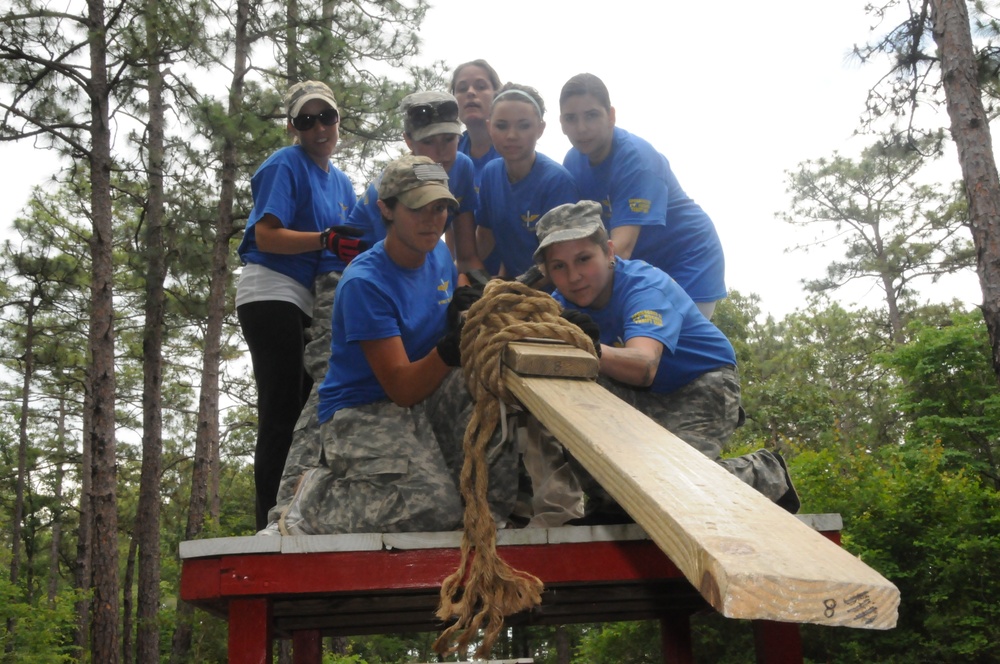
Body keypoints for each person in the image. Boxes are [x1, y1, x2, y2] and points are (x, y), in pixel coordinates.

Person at [262, 155, 518, 535]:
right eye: (418, 209)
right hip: (363, 407)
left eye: (441, 208)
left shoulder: (440, 256)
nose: (432, 220)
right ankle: (313, 499)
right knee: (433, 506)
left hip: (423, 394)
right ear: (386, 209)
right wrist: (451, 348)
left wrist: (466, 312)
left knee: (498, 398)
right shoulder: (365, 282)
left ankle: (488, 519)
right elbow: (400, 388)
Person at [531, 200, 798, 524]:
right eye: (559, 266)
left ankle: (762, 472)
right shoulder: (556, 309)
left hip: (702, 386)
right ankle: (611, 504)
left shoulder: (645, 286)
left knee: (672, 491)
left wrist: (591, 348)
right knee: (561, 387)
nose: (574, 276)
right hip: (632, 395)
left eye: (584, 259)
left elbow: (644, 366)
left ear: (610, 252)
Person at [235, 80, 359, 530]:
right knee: (282, 410)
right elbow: (266, 235)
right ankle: (267, 523)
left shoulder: (343, 182)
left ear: (338, 120)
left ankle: (298, 516)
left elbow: (354, 239)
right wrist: (326, 238)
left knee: (309, 414)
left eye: (326, 116)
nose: (319, 127)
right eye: (306, 120)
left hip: (311, 302)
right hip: (270, 293)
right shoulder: (284, 163)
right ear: (293, 127)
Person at [559, 73, 726, 319]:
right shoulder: (572, 162)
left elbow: (621, 251)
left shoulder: (636, 160)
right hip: (642, 267)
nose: (581, 128)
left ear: (611, 116)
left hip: (687, 260)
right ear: (561, 123)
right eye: (571, 118)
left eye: (592, 115)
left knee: (666, 347)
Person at [346, 90, 485, 278]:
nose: (441, 150)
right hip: (351, 269)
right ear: (408, 141)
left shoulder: (462, 167)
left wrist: (488, 290)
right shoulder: (394, 186)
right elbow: (397, 266)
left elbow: (467, 257)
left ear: (459, 136)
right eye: (428, 141)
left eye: (449, 139)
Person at [476, 83, 579, 280]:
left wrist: (512, 290)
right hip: (513, 285)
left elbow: (560, 260)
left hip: (554, 293)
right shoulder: (490, 174)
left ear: (540, 129)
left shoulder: (557, 182)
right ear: (489, 127)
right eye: (501, 125)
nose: (512, 135)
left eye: (524, 126)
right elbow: (486, 237)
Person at [451, 59, 504, 275]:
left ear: (496, 95)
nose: (471, 93)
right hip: (465, 273)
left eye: (481, 86)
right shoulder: (451, 150)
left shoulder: (510, 149)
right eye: (462, 89)